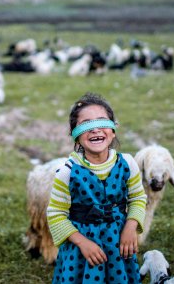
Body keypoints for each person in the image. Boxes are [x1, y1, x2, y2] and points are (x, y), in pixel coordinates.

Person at [47, 92, 147, 283]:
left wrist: (131, 227)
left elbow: (138, 198)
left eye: (102, 122)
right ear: (75, 136)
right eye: (86, 124)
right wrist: (83, 243)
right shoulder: (67, 172)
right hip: (80, 252)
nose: (95, 129)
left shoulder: (127, 163)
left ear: (113, 131)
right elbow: (56, 214)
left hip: (118, 243)